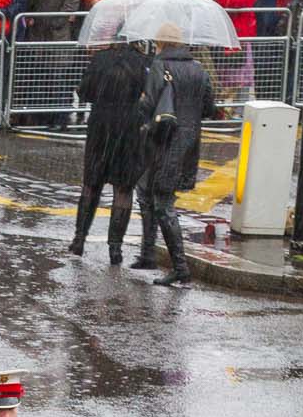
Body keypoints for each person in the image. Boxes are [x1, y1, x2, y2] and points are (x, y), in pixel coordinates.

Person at [132, 25, 217, 286]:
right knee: (147, 191)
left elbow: (148, 105)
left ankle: (180, 268)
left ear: (160, 42)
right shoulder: (198, 69)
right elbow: (210, 108)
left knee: (163, 202)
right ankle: (148, 254)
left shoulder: (160, 66)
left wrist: (141, 105)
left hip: (162, 141)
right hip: (188, 142)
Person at [69, 36, 148, 264]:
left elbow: (84, 93)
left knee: (91, 184)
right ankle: (115, 249)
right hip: (128, 126)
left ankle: (79, 239)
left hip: (101, 125)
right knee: (123, 189)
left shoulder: (100, 60)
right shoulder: (141, 62)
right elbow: (148, 96)